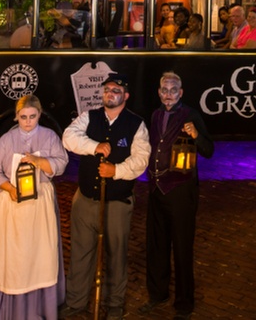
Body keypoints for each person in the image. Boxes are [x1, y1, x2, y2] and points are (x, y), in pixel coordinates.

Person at [60, 73, 151, 320]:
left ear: (126, 96)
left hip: (117, 203)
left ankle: (114, 304)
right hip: (86, 199)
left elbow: (141, 160)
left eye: (116, 90)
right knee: (80, 253)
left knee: (116, 254)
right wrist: (94, 146)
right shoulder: (89, 117)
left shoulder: (136, 124)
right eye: (107, 89)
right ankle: (75, 302)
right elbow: (68, 137)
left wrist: (116, 171)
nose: (110, 93)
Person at [0, 94, 68, 319]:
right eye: (23, 117)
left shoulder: (49, 136)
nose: (28, 121)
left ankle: (39, 307)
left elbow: (61, 162)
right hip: (12, 207)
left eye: (32, 116)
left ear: (39, 115)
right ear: (16, 117)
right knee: (14, 257)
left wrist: (40, 162)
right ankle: (11, 306)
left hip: (39, 205)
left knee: (39, 255)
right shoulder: (6, 141)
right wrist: (9, 189)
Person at [140, 72, 214, 320]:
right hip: (157, 189)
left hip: (181, 191)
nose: (168, 94)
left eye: (173, 90)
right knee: (157, 246)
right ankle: (157, 295)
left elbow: (208, 150)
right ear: (159, 92)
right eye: (164, 89)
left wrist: (196, 135)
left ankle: (184, 304)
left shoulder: (190, 115)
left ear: (180, 93)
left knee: (182, 249)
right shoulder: (155, 114)